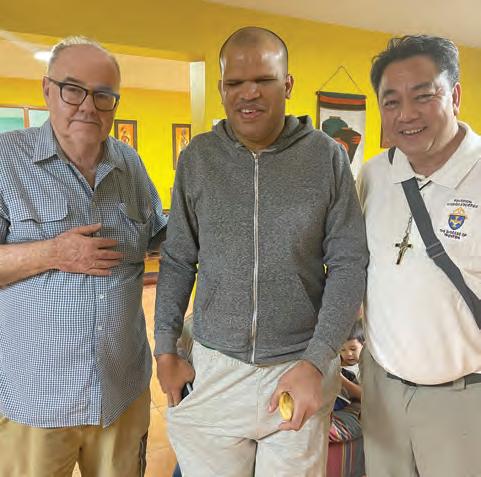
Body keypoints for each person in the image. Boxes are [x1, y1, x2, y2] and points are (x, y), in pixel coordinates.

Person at [155, 26, 368, 476]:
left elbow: (349, 262)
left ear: (287, 84)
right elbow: (177, 259)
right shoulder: (198, 158)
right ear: (221, 89)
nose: (248, 93)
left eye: (263, 80)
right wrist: (165, 348)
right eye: (235, 82)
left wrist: (318, 360)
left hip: (298, 368)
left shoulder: (326, 158)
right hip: (216, 367)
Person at [0, 36, 166, 477]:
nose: (88, 106)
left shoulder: (129, 162)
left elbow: (158, 235)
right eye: (73, 90)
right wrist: (52, 252)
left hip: (120, 392)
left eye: (103, 95)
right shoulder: (5, 159)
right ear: (47, 89)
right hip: (36, 400)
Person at [358, 35, 481, 477]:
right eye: (391, 102)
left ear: (456, 95)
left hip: (464, 399)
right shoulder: (372, 176)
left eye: (424, 96)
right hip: (381, 390)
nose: (406, 114)